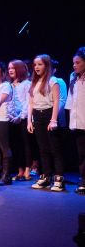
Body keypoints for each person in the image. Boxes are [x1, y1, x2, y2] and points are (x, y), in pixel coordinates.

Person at [28, 54, 65, 191]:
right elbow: (31, 103)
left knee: (55, 148)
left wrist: (53, 119)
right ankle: (45, 176)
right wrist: (29, 120)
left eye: (40, 64)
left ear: (47, 65)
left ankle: (59, 178)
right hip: (37, 116)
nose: (36, 67)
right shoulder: (34, 82)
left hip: (49, 114)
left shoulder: (52, 80)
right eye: (35, 64)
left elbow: (56, 101)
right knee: (42, 149)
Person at [65, 46, 85, 195]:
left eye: (77, 62)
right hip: (78, 122)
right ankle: (83, 180)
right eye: (73, 63)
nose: (74, 65)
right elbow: (71, 100)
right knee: (82, 154)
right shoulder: (73, 77)